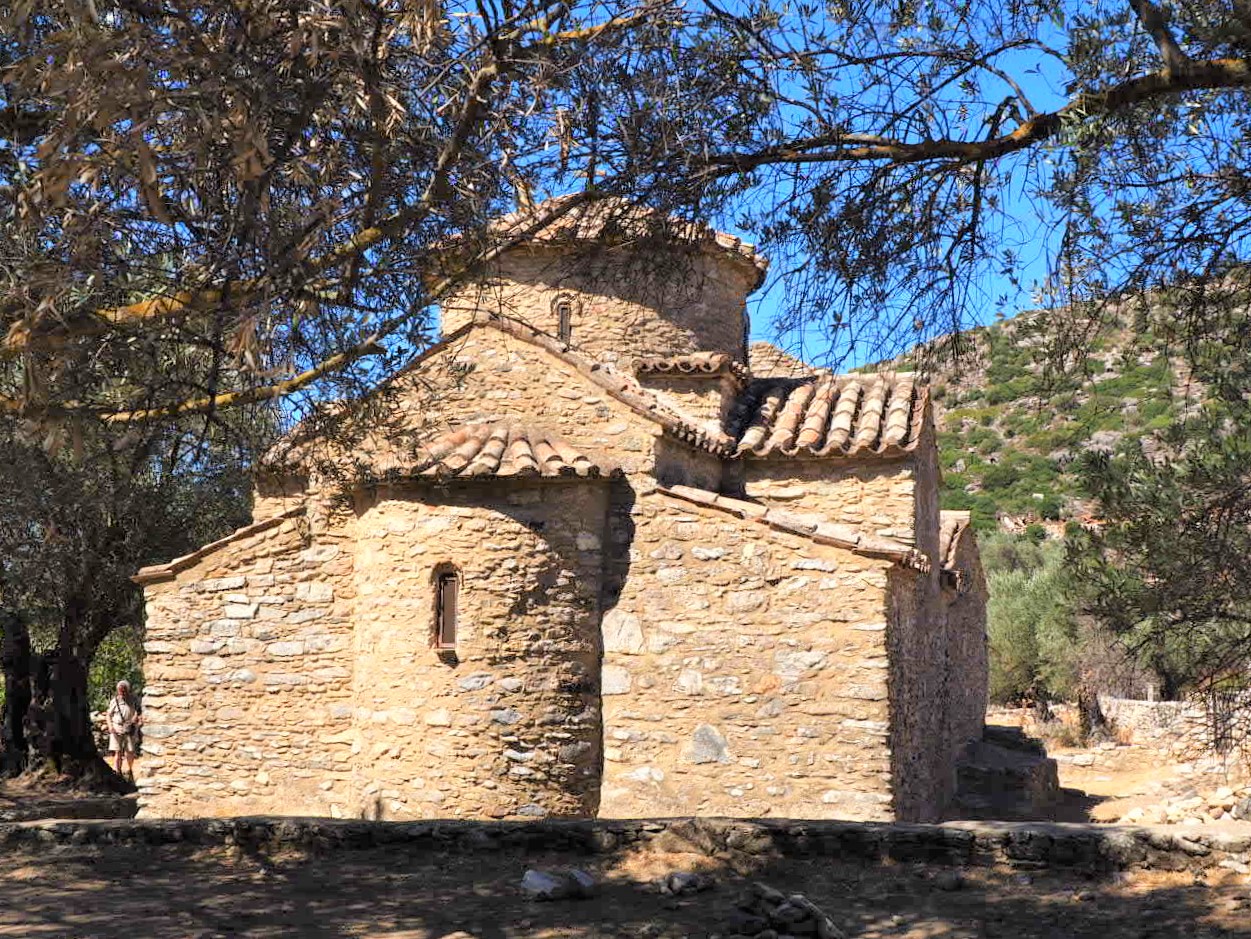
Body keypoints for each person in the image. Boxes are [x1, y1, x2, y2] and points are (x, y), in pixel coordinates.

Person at [107, 680, 141, 780]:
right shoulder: (114, 701)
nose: (122, 692)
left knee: (130, 751)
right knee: (118, 752)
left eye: (124, 690)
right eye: (120, 691)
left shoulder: (134, 700)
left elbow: (138, 711)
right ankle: (118, 772)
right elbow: (108, 715)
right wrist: (110, 726)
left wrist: (136, 717)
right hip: (117, 728)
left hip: (130, 727)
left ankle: (130, 771)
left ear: (128, 690)